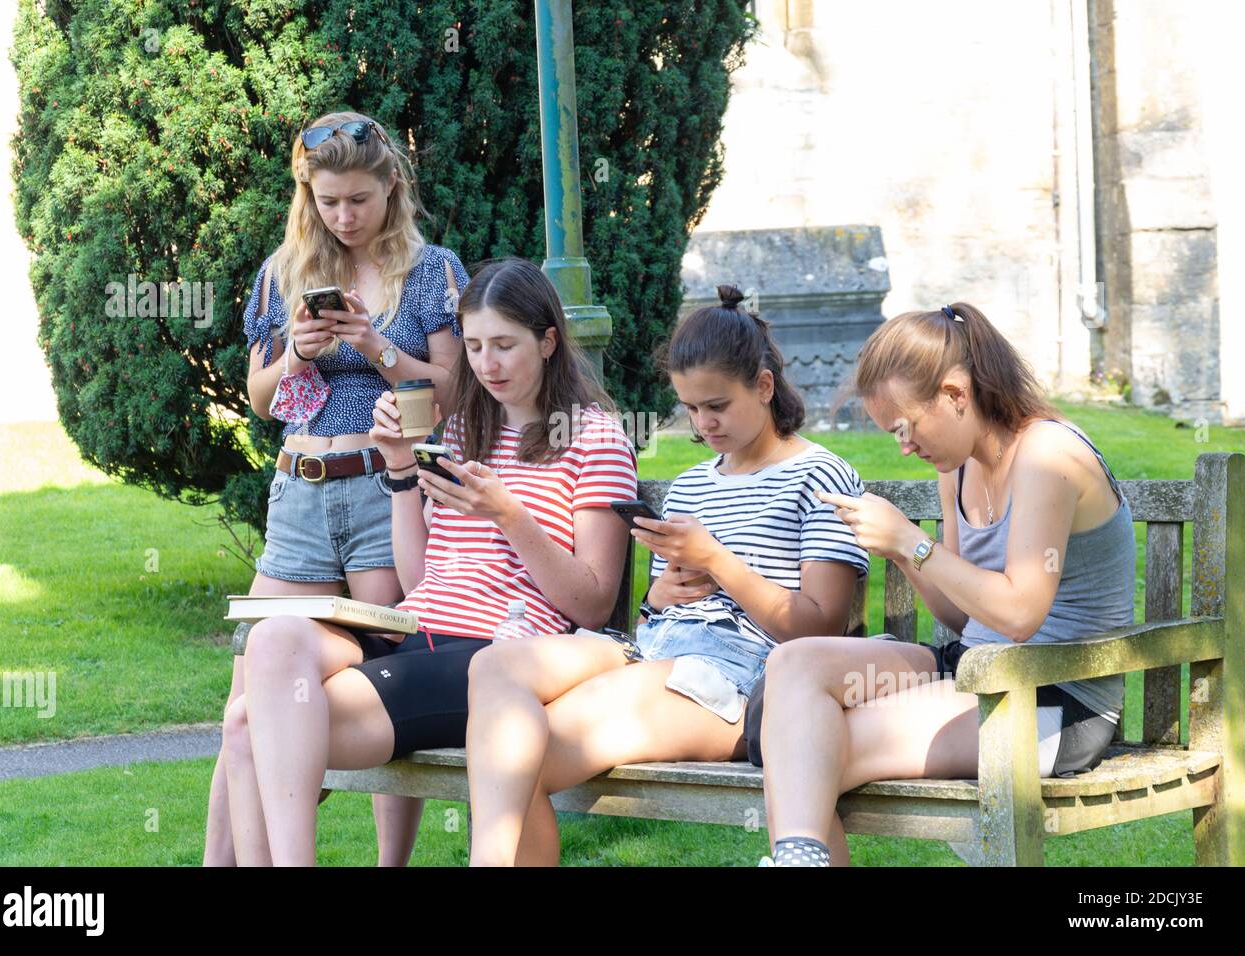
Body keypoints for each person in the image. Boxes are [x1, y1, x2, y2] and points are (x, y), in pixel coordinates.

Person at [220, 257, 639, 865]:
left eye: (504, 345)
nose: (485, 364)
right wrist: (398, 468)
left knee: (247, 727)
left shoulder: (594, 437)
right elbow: (420, 580)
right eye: (472, 346)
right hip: (417, 626)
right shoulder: (464, 427)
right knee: (275, 639)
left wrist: (509, 515)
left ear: (548, 342)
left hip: (495, 653)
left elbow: (593, 602)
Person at [464, 284, 870, 866]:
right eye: (691, 408)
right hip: (655, 649)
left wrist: (716, 562)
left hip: (742, 677)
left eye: (718, 407)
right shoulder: (693, 484)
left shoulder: (819, 477)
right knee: (496, 666)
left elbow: (816, 632)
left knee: (513, 754)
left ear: (763, 386)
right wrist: (661, 592)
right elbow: (659, 611)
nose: (704, 424)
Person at [749, 302, 1134, 867]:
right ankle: (800, 859)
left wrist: (911, 542)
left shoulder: (1048, 456)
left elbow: (1021, 614)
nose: (903, 445)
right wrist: (900, 554)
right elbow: (963, 615)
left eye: (904, 427)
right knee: (793, 668)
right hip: (975, 667)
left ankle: (797, 860)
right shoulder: (956, 467)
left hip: (1054, 697)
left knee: (800, 747)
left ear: (955, 394)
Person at [203, 110, 468, 866]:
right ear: (306, 195)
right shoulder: (285, 271)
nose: (344, 216)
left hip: (383, 488)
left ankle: (391, 865)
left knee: (384, 676)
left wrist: (375, 345)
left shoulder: (432, 271)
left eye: (359, 199)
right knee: (248, 693)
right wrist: (297, 357)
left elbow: (453, 390)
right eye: (328, 201)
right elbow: (260, 397)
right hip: (299, 492)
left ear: (392, 187)